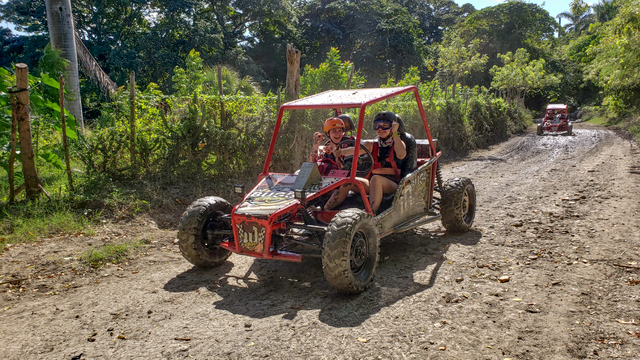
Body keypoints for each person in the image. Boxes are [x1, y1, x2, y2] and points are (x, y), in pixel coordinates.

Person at [323, 111, 407, 214]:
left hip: (393, 184)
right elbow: (356, 150)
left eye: (385, 126)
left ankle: (371, 213)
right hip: (373, 182)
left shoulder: (398, 142)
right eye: (377, 126)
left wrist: (395, 133)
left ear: (392, 127)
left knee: (376, 179)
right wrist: (340, 151)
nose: (380, 129)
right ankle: (325, 210)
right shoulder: (372, 144)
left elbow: (401, 155)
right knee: (349, 181)